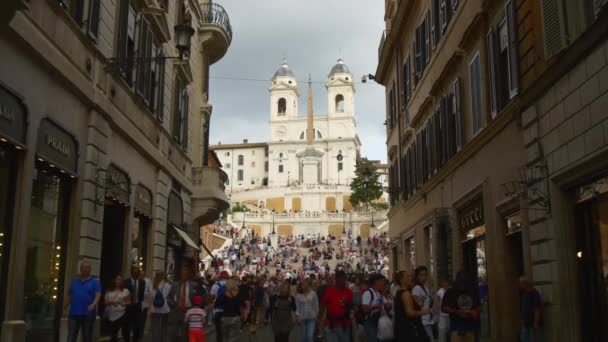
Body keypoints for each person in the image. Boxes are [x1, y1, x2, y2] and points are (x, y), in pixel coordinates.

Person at [65, 261, 102, 342]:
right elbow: (69, 295)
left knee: (87, 336)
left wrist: (93, 304)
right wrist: (65, 308)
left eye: (87, 268)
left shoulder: (95, 282)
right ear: (80, 269)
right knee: (71, 337)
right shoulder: (74, 281)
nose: (84, 269)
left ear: (90, 269)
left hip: (88, 313)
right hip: (74, 313)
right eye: (83, 267)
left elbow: (98, 295)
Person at [442, 271, 481, 342]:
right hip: (456, 327)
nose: (462, 285)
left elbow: (479, 306)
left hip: (472, 326)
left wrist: (475, 311)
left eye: (464, 282)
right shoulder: (450, 292)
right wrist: (457, 312)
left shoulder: (472, 291)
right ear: (457, 281)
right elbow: (444, 308)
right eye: (460, 282)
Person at [393, 271, 430, 341]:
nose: (411, 278)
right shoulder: (406, 294)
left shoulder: (399, 292)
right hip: (409, 329)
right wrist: (423, 312)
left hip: (402, 328)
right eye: (408, 276)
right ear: (401, 280)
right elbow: (409, 312)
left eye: (410, 276)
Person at [168, 266, 201, 342]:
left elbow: (199, 297)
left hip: (188, 311)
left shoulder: (194, 285)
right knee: (173, 332)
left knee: (185, 332)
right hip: (176, 310)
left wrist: (196, 308)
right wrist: (172, 303)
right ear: (180, 275)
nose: (184, 276)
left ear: (188, 275)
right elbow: (169, 297)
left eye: (185, 274)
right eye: (182, 274)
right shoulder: (175, 285)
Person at [319, 270, 353, 342]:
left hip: (344, 324)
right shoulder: (328, 291)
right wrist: (321, 322)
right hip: (330, 324)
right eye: (342, 279)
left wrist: (346, 306)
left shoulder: (349, 292)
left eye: (345, 279)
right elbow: (322, 306)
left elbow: (350, 307)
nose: (344, 281)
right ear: (337, 279)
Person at [361, 273, 392, 342]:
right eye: (382, 281)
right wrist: (376, 306)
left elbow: (387, 305)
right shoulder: (368, 293)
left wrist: (388, 305)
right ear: (376, 282)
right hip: (370, 323)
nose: (383, 283)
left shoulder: (379, 294)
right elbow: (364, 309)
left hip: (379, 323)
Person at [412, 266, 436, 342]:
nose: (424, 277)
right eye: (421, 275)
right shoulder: (416, 288)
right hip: (422, 321)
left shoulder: (425, 287)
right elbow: (418, 304)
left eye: (425, 275)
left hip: (428, 320)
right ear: (417, 276)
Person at [104, 274, 131, 342]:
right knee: (113, 335)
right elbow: (105, 302)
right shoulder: (109, 291)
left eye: (120, 279)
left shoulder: (125, 291)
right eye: (117, 279)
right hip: (111, 315)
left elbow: (128, 302)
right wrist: (110, 302)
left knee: (124, 334)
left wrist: (120, 303)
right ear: (114, 280)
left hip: (121, 315)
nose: (119, 281)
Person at [125, 267, 147, 342]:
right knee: (127, 326)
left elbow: (142, 295)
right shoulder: (127, 282)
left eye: (137, 272)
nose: (136, 273)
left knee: (137, 326)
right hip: (129, 306)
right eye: (134, 272)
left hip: (137, 306)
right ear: (131, 273)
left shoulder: (142, 282)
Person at [519, 276, 542, 342]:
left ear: (525, 284)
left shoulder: (534, 293)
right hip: (525, 322)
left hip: (532, 322)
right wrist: (522, 319)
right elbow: (524, 308)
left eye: (521, 283)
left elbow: (537, 308)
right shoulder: (524, 294)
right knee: (523, 338)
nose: (520, 285)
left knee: (532, 339)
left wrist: (536, 321)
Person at [151, 271, 172, 342]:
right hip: (165, 309)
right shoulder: (167, 285)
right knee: (164, 328)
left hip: (154, 309)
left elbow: (151, 297)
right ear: (163, 276)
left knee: (155, 328)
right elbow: (171, 294)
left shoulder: (153, 285)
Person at [210, 271, 229, 342]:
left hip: (217, 310)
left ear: (220, 277)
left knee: (218, 331)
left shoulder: (215, 285)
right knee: (228, 331)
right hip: (228, 311)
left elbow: (211, 298)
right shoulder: (231, 285)